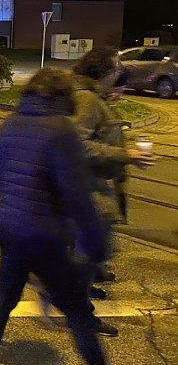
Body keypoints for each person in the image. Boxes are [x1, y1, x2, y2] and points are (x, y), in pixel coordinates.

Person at [0, 68, 163, 365]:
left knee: (4, 299)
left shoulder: (11, 123)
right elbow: (76, 196)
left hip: (11, 228)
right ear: (62, 96)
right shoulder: (61, 130)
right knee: (78, 314)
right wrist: (95, 243)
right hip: (45, 236)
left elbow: (3, 177)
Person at [70, 48, 153, 292]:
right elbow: (78, 144)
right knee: (89, 244)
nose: (119, 73)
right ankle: (75, 295)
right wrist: (126, 154)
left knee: (94, 242)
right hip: (89, 184)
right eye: (117, 68)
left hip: (96, 182)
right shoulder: (87, 99)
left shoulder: (94, 96)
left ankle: (82, 285)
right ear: (105, 72)